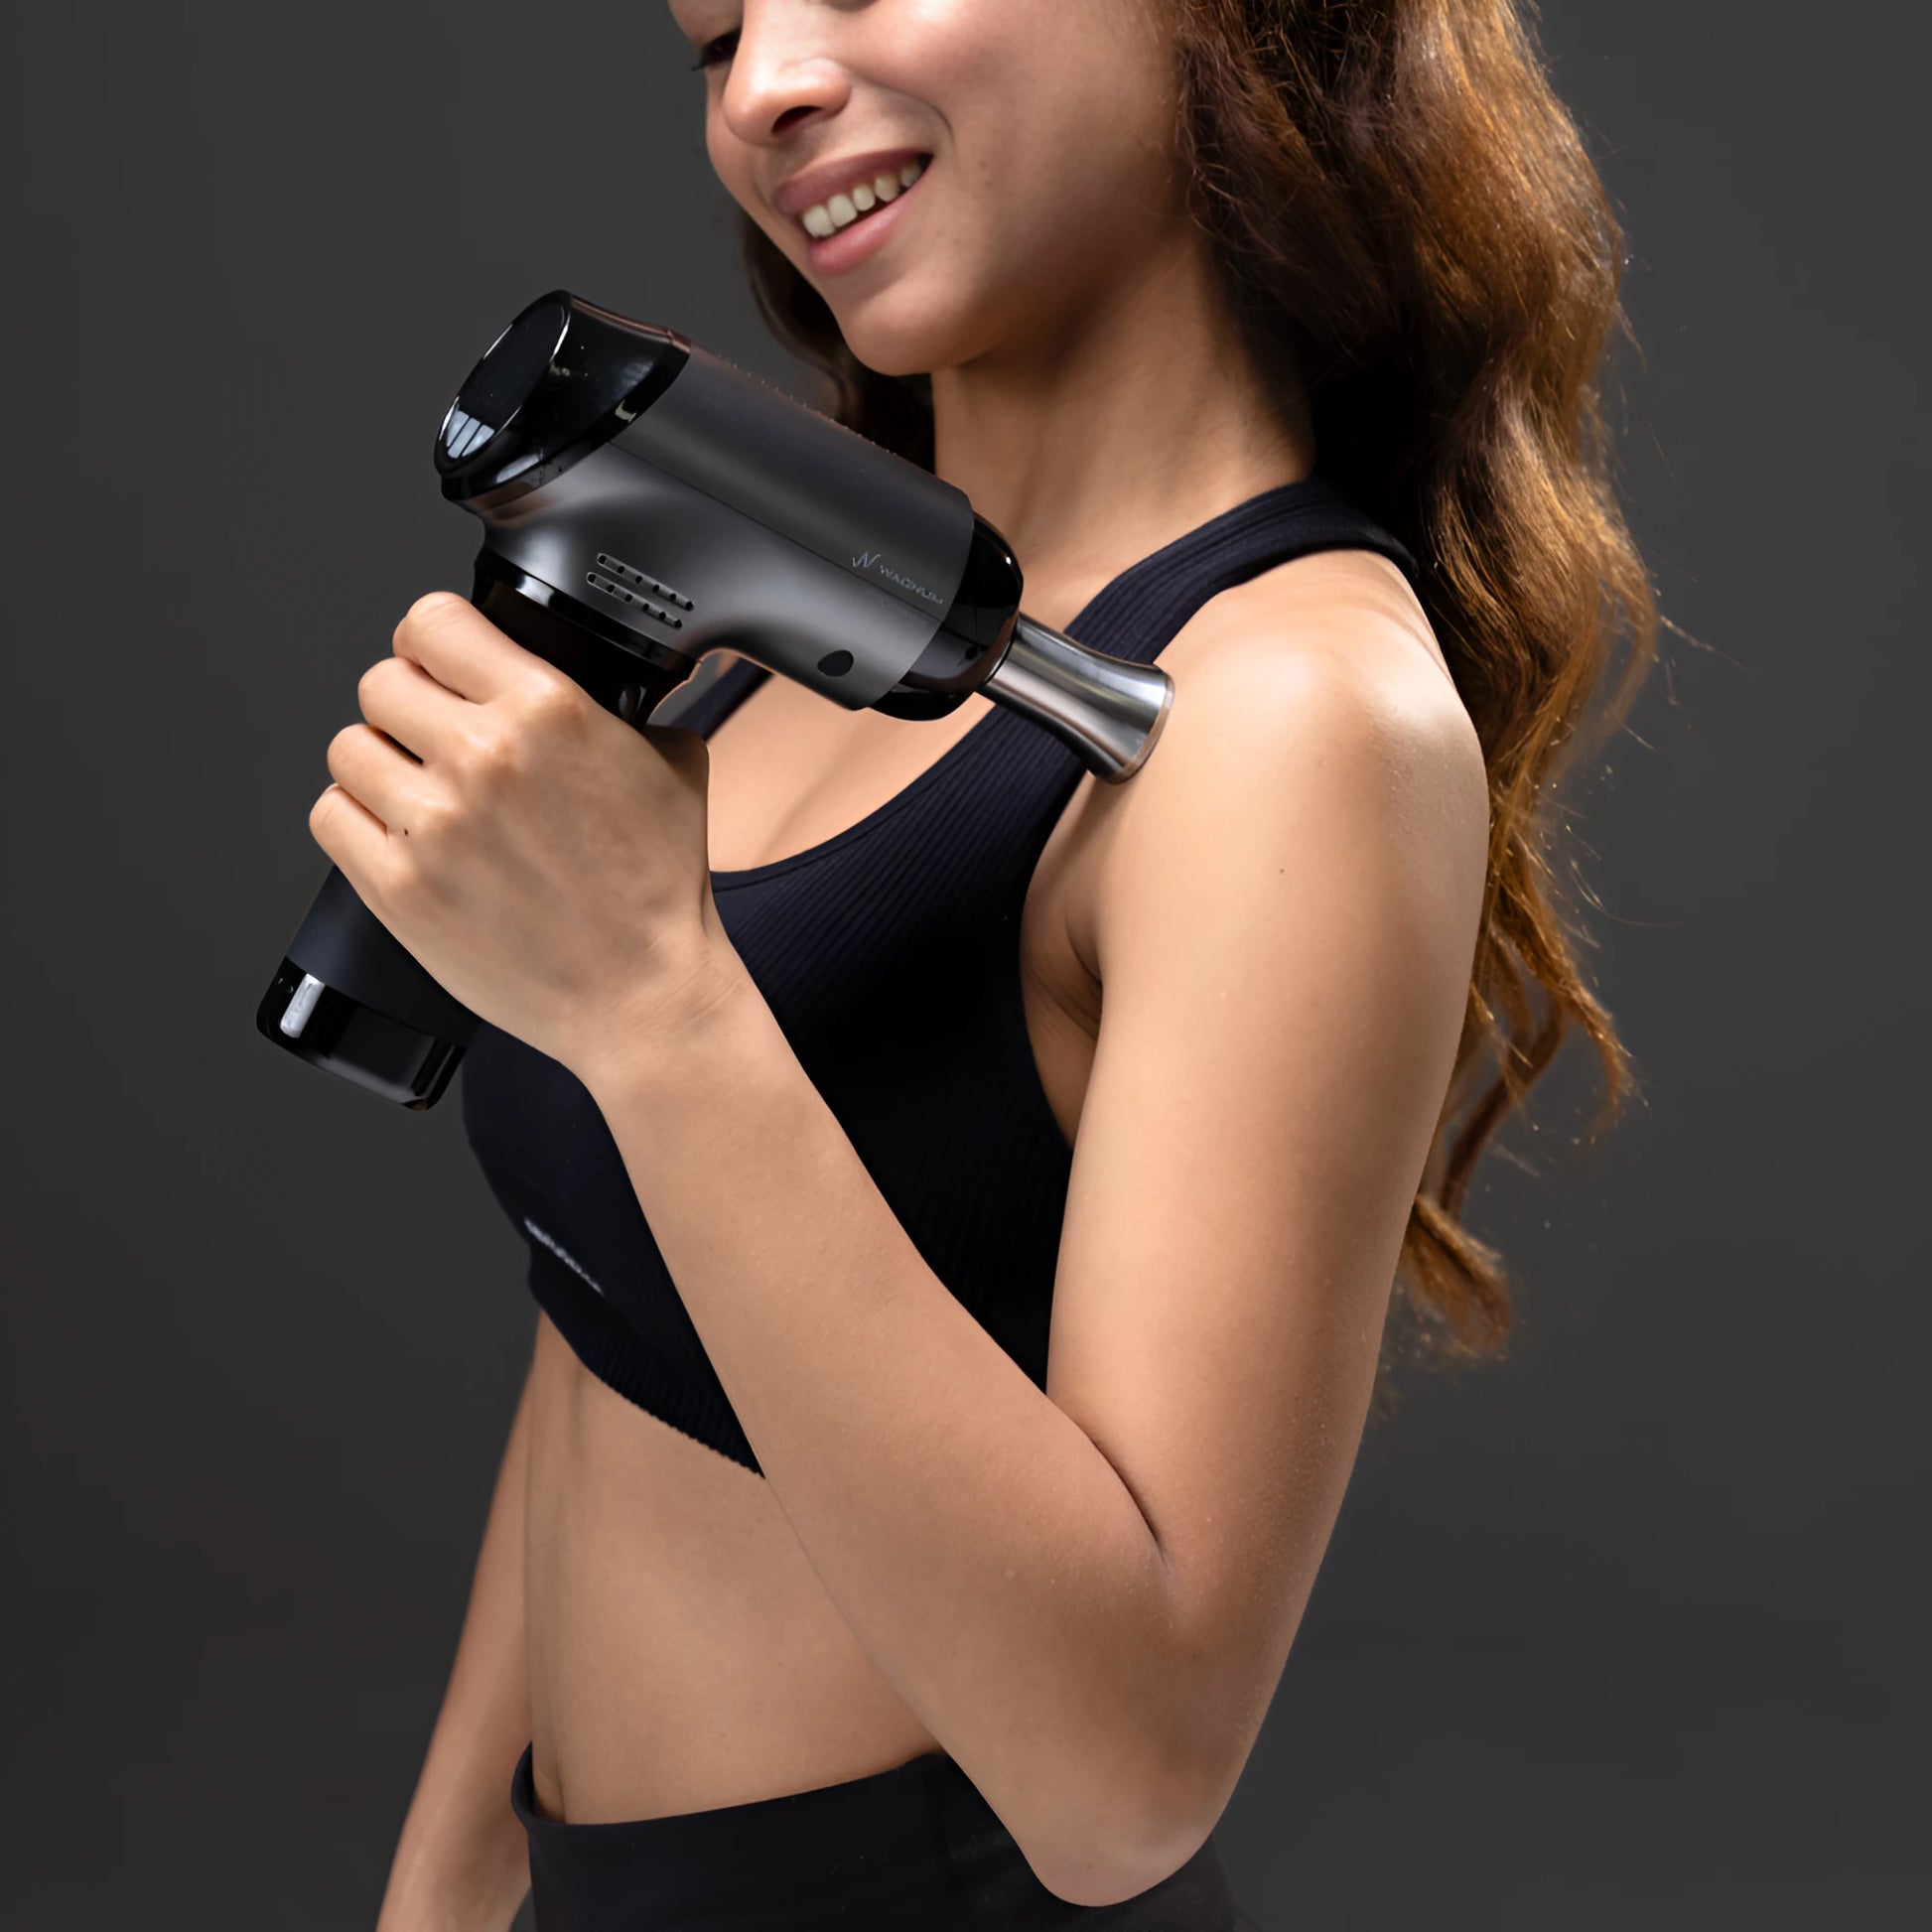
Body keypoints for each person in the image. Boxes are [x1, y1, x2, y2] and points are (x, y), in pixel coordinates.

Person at [357, 2, 1659, 1926]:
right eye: (712, 38)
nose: (769, 86)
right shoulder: (800, 635)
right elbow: (614, 1316)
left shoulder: (1287, 713)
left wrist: (649, 999)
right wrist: (443, 1892)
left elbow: (1126, 1779)